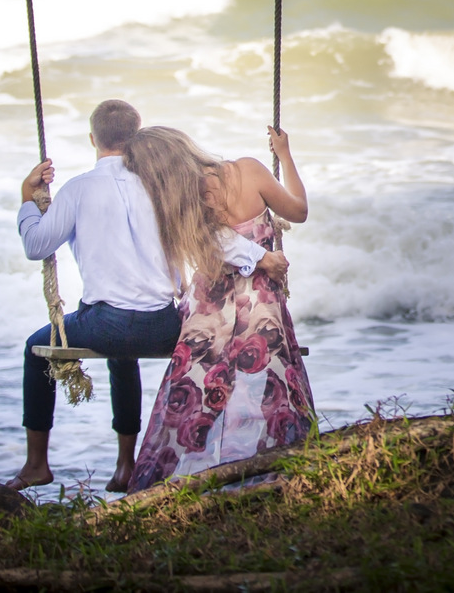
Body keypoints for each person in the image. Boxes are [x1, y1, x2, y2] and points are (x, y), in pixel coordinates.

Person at [123, 125, 313, 491]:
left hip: (208, 304)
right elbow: (299, 210)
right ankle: (272, 469)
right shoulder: (248, 170)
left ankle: (185, 476)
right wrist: (285, 155)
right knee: (265, 383)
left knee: (196, 387)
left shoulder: (180, 205)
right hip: (259, 298)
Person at [8, 99, 182, 493]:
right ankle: (126, 465)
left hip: (107, 326)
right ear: (136, 137)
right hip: (164, 325)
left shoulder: (78, 189)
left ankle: (36, 464)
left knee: (36, 348)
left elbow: (35, 246)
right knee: (123, 356)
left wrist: (27, 198)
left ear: (93, 139)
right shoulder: (160, 187)